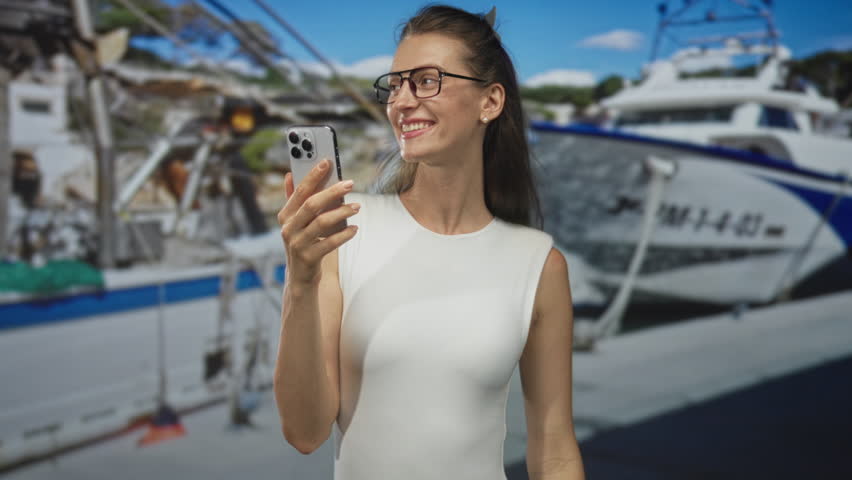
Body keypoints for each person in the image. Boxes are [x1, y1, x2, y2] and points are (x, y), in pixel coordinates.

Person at [274, 5, 585, 480]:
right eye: (395, 85)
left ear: (490, 102)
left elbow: (555, 447)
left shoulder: (539, 264)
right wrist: (300, 281)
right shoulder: (344, 232)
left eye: (425, 80)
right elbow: (304, 432)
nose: (401, 101)